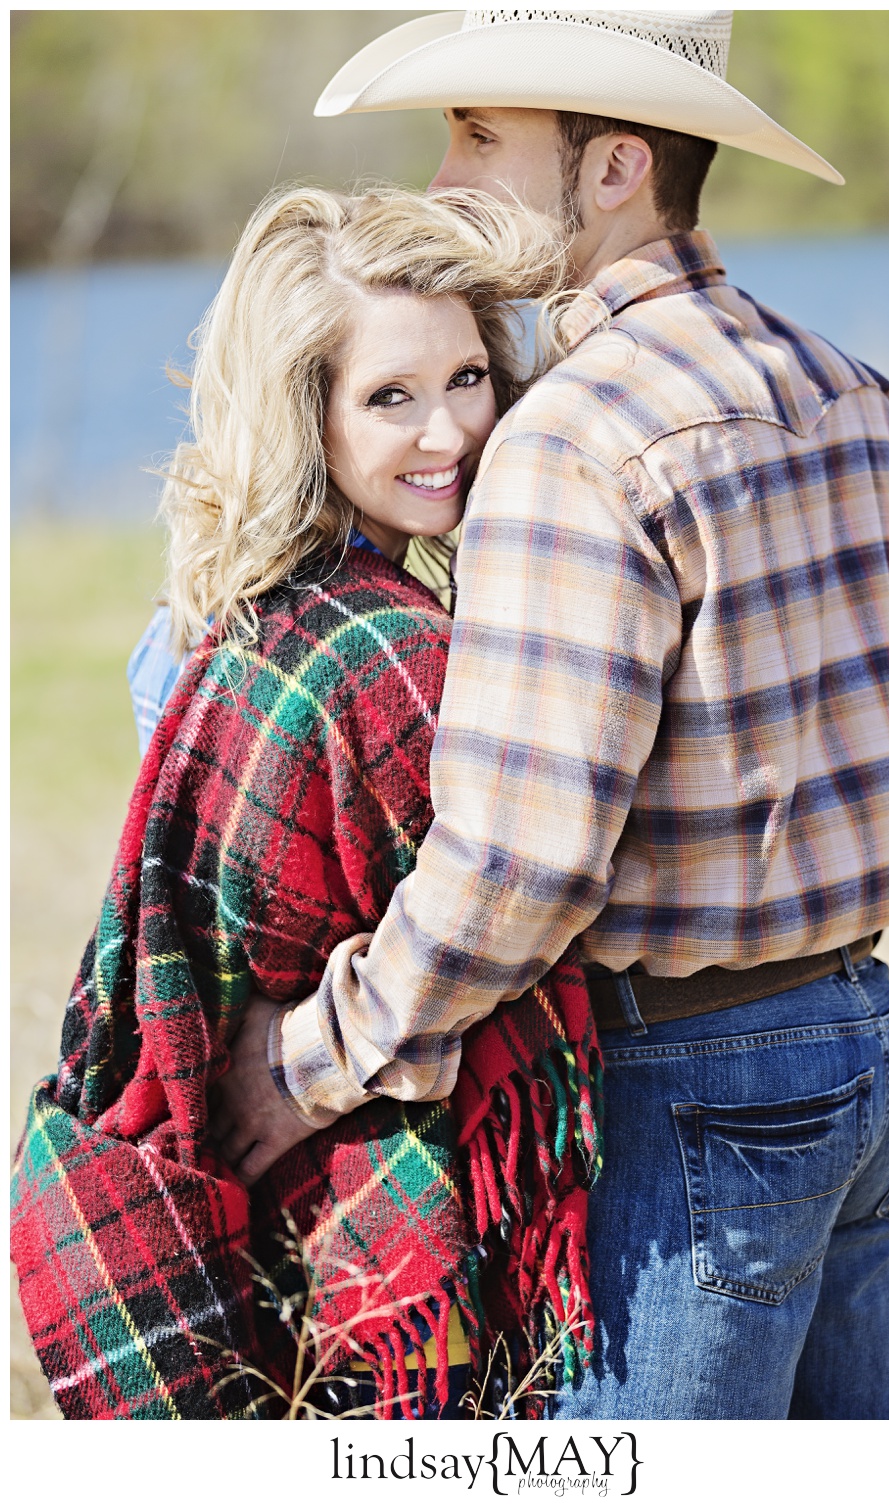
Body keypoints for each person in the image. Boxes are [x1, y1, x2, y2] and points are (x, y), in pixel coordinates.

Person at [208, 10, 889, 1421]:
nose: (443, 176)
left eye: (481, 136)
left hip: (693, 1087)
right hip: (872, 1048)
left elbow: (517, 864)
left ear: (615, 169)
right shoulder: (857, 388)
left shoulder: (571, 437)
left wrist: (311, 1066)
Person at [11, 183, 604, 1421]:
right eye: (390, 396)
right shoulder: (398, 660)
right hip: (371, 1217)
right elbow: (503, 924)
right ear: (310, 417)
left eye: (466, 379)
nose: (449, 431)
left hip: (261, 1205)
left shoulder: (215, 623)